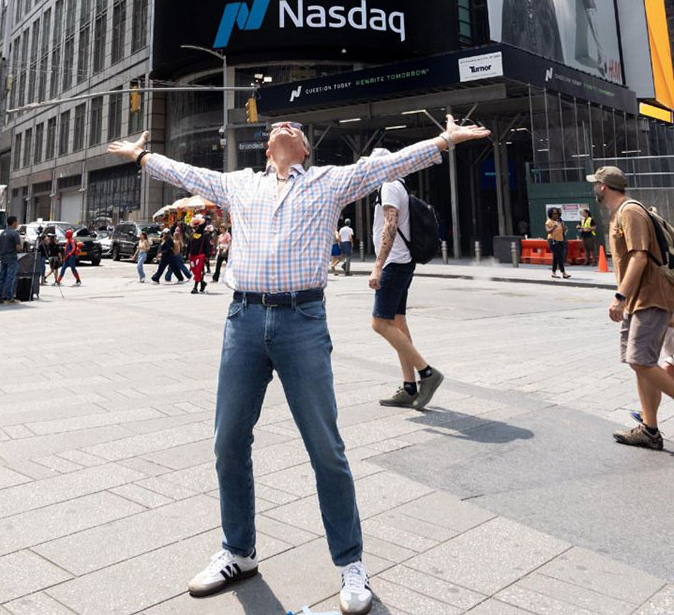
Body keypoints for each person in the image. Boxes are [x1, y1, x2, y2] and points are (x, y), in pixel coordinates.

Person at [108, 114, 489, 614]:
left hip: (302, 320)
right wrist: (141, 155)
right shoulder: (238, 185)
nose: (284, 127)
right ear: (268, 147)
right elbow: (185, 174)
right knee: (227, 441)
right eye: (276, 128)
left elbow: (391, 165)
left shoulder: (331, 183)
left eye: (295, 127)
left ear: (305, 149)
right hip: (243, 318)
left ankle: (351, 564)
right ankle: (238, 551)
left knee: (325, 447)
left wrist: (444, 141)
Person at [587, 166, 674, 450]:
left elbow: (638, 257)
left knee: (640, 360)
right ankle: (650, 430)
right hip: (640, 299)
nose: (594, 188)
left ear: (603, 187)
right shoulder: (620, 213)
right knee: (640, 364)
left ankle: (650, 429)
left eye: (596, 184)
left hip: (649, 296)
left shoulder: (630, 212)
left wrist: (619, 296)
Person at [369, 160, 443, 410]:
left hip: (393, 263)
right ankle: (409, 387)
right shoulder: (398, 185)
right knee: (397, 322)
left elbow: (390, 224)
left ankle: (427, 373)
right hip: (403, 262)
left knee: (379, 323)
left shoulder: (389, 185)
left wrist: (378, 265)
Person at [0, 216, 22, 304]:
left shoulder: (2, 233)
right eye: (16, 222)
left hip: (3, 257)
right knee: (10, 277)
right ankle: (9, 297)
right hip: (12, 257)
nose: (17, 224)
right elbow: (18, 248)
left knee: (2, 277)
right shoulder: (14, 234)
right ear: (14, 222)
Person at [545, 207, 570, 280]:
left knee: (556, 257)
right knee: (560, 257)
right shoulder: (549, 222)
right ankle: (564, 273)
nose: (556, 215)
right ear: (551, 214)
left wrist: (565, 228)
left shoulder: (559, 221)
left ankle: (553, 273)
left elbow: (563, 229)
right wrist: (553, 227)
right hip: (552, 240)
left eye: (557, 214)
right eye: (554, 214)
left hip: (560, 240)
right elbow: (548, 231)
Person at [188, 217, 210, 294]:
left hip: (201, 256)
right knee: (195, 271)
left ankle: (195, 287)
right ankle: (202, 283)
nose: (195, 228)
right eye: (194, 227)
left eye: (196, 227)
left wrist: (207, 257)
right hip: (193, 256)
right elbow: (189, 246)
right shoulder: (192, 235)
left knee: (199, 271)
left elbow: (207, 247)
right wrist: (188, 254)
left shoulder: (204, 236)